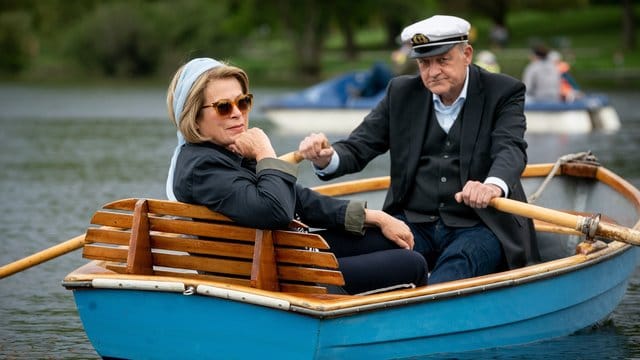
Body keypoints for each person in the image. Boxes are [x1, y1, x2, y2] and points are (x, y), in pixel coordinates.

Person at [298, 15, 540, 285]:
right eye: (424, 63)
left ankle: (426, 303)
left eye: (443, 60)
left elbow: (511, 148)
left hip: (481, 225)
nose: (432, 71)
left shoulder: (504, 91)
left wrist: (492, 186)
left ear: (467, 54)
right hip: (411, 224)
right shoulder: (400, 92)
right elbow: (358, 147)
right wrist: (327, 157)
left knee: (451, 272)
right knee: (321, 253)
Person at [164, 58, 427, 295]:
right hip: (271, 277)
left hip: (281, 257)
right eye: (223, 107)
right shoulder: (202, 167)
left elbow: (298, 200)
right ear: (194, 118)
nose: (237, 112)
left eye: (243, 102)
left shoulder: (226, 151)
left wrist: (375, 217)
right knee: (412, 263)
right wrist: (265, 151)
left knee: (385, 239)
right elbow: (274, 210)